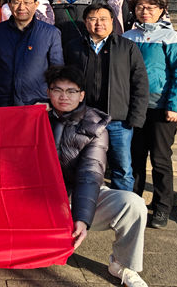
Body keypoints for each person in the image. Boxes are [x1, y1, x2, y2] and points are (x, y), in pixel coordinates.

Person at [46, 65, 149, 287]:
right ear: (48, 92)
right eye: (57, 90)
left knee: (132, 204)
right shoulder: (37, 119)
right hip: (42, 199)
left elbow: (90, 173)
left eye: (71, 91)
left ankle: (122, 264)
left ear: (81, 95)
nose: (64, 96)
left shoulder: (94, 125)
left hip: (78, 197)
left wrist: (82, 218)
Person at [64, 3, 149, 191]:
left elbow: (140, 83)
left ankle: (122, 206)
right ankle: (88, 204)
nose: (98, 23)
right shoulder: (73, 47)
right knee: (85, 166)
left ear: (112, 21)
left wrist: (136, 117)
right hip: (85, 119)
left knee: (122, 169)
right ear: (85, 22)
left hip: (118, 120)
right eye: (93, 19)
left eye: (103, 19)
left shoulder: (127, 47)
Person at [122, 0, 177, 229]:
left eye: (151, 7)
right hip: (135, 106)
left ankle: (162, 207)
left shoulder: (171, 37)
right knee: (135, 157)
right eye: (140, 7)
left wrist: (174, 106)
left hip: (161, 108)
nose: (145, 11)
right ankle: (133, 203)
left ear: (162, 10)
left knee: (160, 159)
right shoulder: (128, 36)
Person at [0, 0, 64, 107]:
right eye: (16, 2)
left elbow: (57, 71)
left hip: (36, 102)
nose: (21, 7)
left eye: (27, 2)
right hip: (2, 101)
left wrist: (51, 101)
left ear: (36, 5)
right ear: (9, 5)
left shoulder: (50, 33)